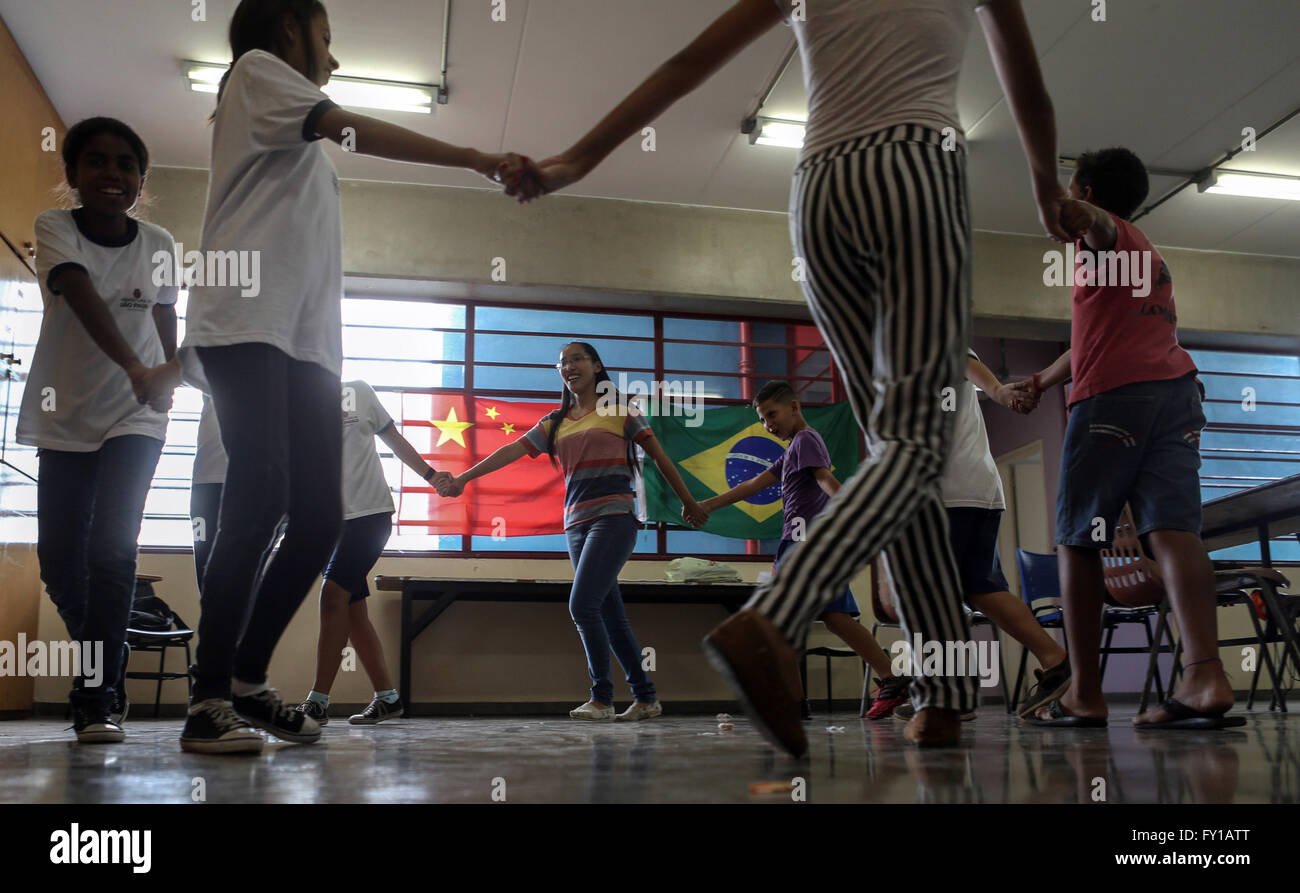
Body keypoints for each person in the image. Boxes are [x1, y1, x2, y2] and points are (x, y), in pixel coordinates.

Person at [504, 0, 1067, 752]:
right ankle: (775, 617)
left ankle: (944, 694)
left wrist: (577, 159)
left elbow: (687, 64)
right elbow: (1023, 76)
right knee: (917, 448)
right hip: (916, 168)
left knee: (899, 455)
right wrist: (1045, 185)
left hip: (821, 187)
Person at [154, 0, 533, 754]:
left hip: (304, 349)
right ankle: (207, 698)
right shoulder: (257, 73)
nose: (331, 57)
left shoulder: (284, 127)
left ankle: (247, 682)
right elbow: (345, 122)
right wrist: (473, 158)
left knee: (321, 519)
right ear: (290, 26)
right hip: (245, 325)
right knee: (257, 495)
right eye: (326, 40)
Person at [1021, 148, 1241, 729]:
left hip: (1115, 401)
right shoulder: (1143, 256)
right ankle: (1205, 678)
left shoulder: (1108, 235)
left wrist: (1065, 202)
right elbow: (1091, 340)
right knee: (1173, 531)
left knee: (1077, 539)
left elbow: (1093, 225)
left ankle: (1085, 693)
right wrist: (1041, 381)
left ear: (1087, 193)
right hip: (1174, 394)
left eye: (1076, 192)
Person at [17, 116, 181, 743]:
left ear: (141, 179)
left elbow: (166, 311)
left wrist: (165, 377)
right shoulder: (55, 228)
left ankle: (97, 697)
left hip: (135, 415)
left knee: (112, 552)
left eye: (125, 165)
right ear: (75, 175)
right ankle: (104, 671)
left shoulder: (160, 241)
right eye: (98, 162)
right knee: (60, 564)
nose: (112, 174)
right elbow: (79, 293)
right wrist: (137, 366)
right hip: (66, 413)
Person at [438, 342, 709, 721]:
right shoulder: (555, 422)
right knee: (609, 614)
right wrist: (464, 479)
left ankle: (602, 698)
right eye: (562, 363)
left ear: (597, 366)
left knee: (582, 605)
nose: (569, 367)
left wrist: (689, 503)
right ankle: (646, 698)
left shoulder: (621, 411)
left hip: (614, 517)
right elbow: (511, 450)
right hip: (576, 525)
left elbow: (661, 458)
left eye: (577, 359)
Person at [697, 380, 911, 720]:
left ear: (795, 407)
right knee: (833, 617)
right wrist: (708, 504)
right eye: (763, 419)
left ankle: (800, 702)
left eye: (772, 414)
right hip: (804, 544)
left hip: (806, 545)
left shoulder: (806, 440)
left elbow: (825, 479)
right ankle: (887, 678)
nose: (769, 424)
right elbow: (755, 484)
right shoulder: (792, 450)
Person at [297, 380, 451, 725]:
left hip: (369, 515)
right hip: (324, 523)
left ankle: (317, 702)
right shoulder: (291, 402)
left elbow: (394, 440)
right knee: (352, 612)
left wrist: (430, 476)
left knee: (332, 595)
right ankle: (388, 698)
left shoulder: (357, 392)